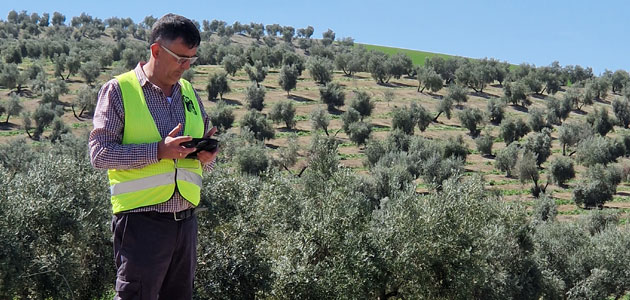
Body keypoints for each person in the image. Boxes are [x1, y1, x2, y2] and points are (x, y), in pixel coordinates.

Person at [88, 13, 217, 300]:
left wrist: (206, 155)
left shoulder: (189, 93)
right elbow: (99, 154)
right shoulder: (119, 90)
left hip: (185, 223)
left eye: (191, 60)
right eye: (180, 58)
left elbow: (195, 154)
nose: (185, 67)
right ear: (156, 50)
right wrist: (158, 151)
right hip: (140, 224)